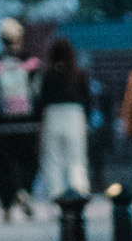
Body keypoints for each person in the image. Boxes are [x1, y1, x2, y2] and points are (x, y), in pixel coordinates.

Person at [0, 17, 40, 222]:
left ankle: (6, 206)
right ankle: (24, 191)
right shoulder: (31, 63)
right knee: (29, 161)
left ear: (1, 39)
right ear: (19, 37)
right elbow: (38, 93)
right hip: (27, 123)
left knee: (4, 165)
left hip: (1, 125)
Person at [38, 31, 94, 207]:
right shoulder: (79, 74)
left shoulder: (47, 75)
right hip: (75, 115)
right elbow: (87, 99)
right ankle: (79, 191)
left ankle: (56, 194)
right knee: (76, 158)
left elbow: (41, 100)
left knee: (53, 159)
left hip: (52, 115)